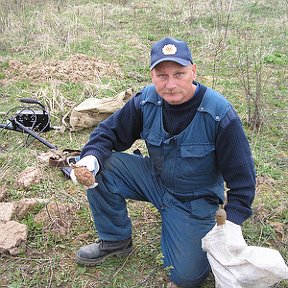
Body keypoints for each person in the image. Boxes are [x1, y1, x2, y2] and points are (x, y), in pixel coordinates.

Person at [71, 37, 256, 288]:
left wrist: (232, 223)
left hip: (195, 199)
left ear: (193, 71)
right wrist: (89, 160)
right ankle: (115, 241)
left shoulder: (219, 113)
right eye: (162, 75)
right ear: (152, 76)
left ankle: (186, 228)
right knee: (103, 165)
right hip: (155, 181)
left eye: (179, 74)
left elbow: (243, 180)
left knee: (187, 278)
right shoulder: (146, 101)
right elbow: (107, 133)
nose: (170, 85)